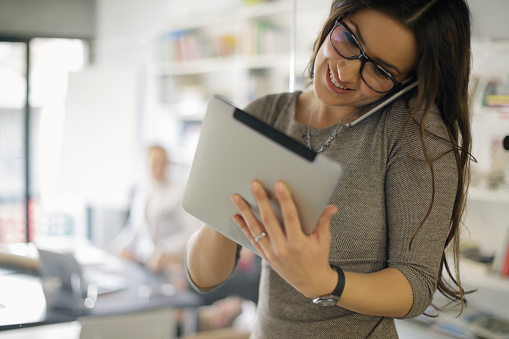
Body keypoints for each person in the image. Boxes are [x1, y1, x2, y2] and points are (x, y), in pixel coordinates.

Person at [186, 0, 473, 338]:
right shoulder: (263, 115)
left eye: (380, 71)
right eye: (349, 40)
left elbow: (416, 283)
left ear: (408, 81)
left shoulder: (412, 136)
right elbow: (203, 278)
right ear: (333, 20)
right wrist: (227, 197)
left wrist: (324, 282)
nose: (346, 73)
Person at [113, 145, 199, 273]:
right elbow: (133, 229)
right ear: (146, 163)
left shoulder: (180, 191)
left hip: (170, 261)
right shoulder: (141, 192)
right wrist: (119, 245)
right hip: (144, 261)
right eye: (154, 162)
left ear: (168, 164)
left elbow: (193, 230)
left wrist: (163, 250)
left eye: (162, 163)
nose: (158, 168)